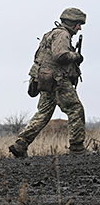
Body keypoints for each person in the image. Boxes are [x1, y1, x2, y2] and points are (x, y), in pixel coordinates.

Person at [9, 8, 88, 157]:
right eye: (78, 24)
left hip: (46, 81)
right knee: (75, 109)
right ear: (71, 23)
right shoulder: (62, 34)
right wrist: (76, 56)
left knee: (43, 114)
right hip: (58, 81)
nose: (79, 28)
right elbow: (60, 56)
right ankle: (77, 148)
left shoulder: (50, 34)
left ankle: (20, 144)